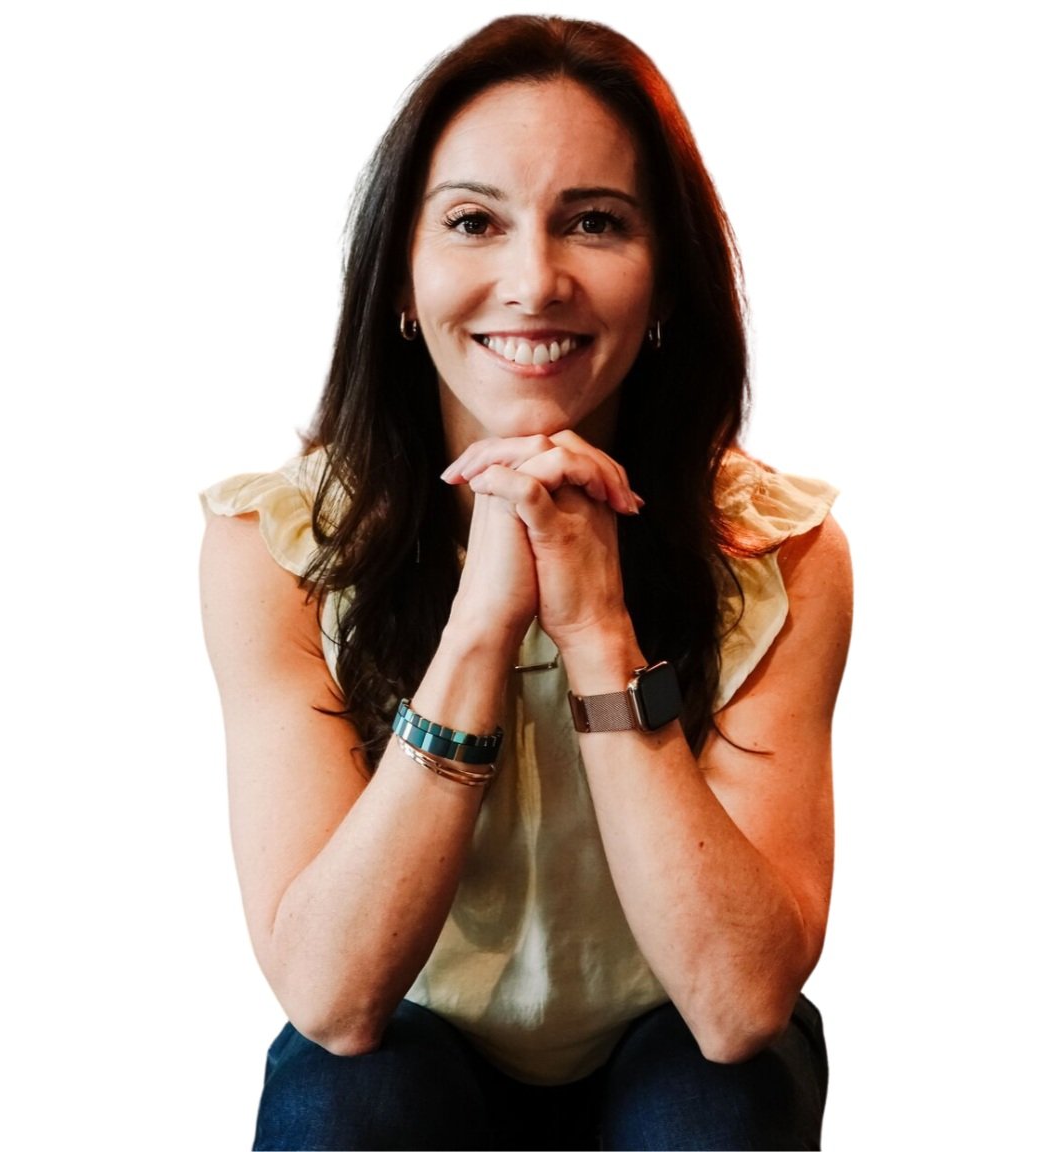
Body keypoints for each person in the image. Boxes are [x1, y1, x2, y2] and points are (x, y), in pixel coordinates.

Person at [200, 14, 851, 1151]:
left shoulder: (779, 550)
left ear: (664, 282)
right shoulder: (276, 545)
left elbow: (742, 1003)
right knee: (339, 1091)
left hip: (677, 1039)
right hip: (410, 1051)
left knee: (717, 1097)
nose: (534, 280)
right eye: (473, 222)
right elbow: (331, 998)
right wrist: (482, 625)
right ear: (403, 276)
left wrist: (598, 626)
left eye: (594, 222)